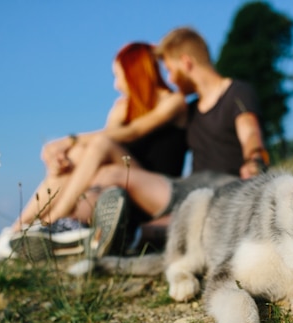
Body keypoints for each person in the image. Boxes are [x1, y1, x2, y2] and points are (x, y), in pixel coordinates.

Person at [0, 42, 188, 267]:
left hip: (153, 187)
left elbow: (129, 133)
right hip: (118, 181)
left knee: (98, 144)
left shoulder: (173, 102)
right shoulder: (121, 107)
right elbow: (103, 143)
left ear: (134, 72)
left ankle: (53, 219)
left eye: (119, 75)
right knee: (78, 153)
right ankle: (16, 229)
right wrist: (66, 154)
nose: (117, 85)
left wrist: (69, 140)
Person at [83, 26, 269, 254]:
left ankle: (129, 240)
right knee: (105, 179)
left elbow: (250, 132)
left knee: (144, 222)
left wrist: (254, 159)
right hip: (190, 190)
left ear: (186, 63)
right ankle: (69, 229)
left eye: (170, 69)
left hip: (225, 188)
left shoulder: (236, 92)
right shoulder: (189, 110)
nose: (169, 78)